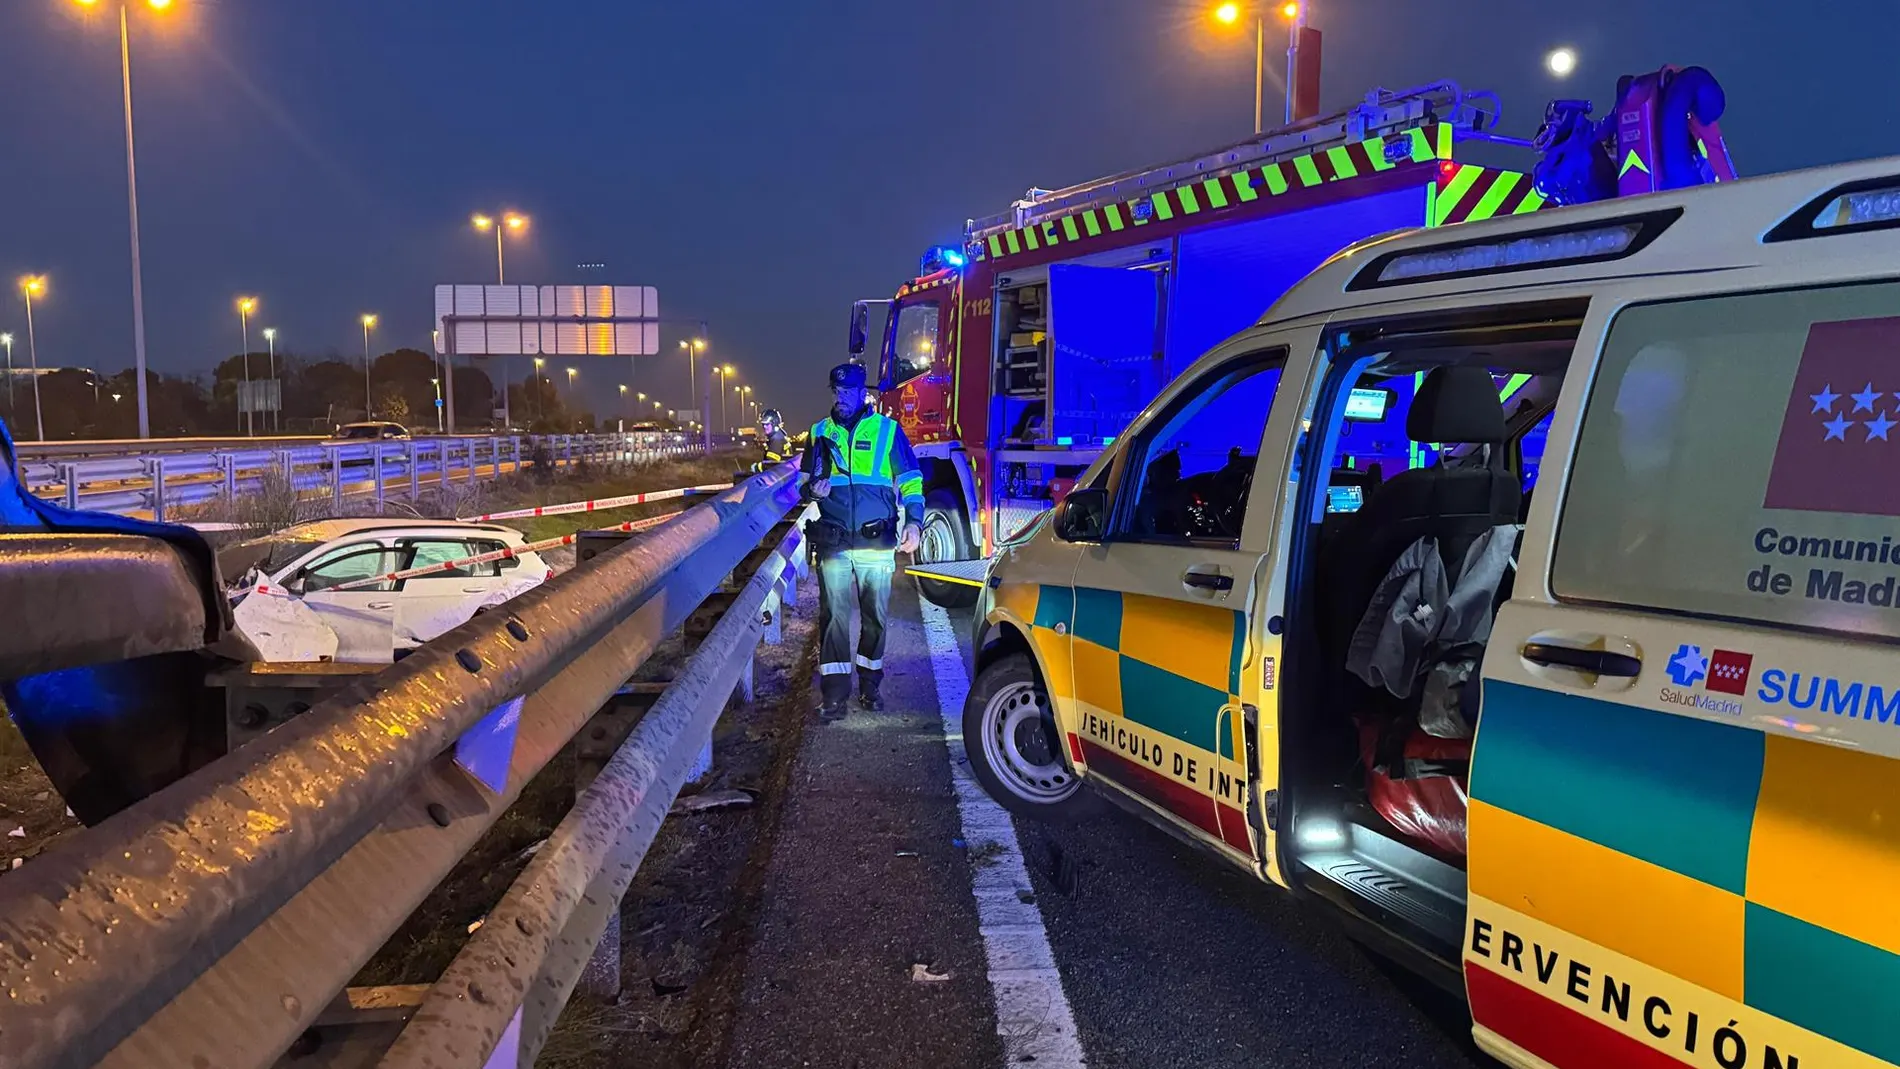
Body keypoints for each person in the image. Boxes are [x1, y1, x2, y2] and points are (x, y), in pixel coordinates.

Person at [800, 362, 923, 719]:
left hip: (876, 540)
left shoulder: (888, 430)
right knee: (834, 618)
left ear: (861, 393)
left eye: (847, 392)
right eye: (836, 392)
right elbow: (802, 485)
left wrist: (915, 523)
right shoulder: (819, 432)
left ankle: (870, 687)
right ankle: (834, 696)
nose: (841, 398)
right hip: (834, 541)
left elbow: (912, 481)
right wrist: (812, 490)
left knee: (875, 618)